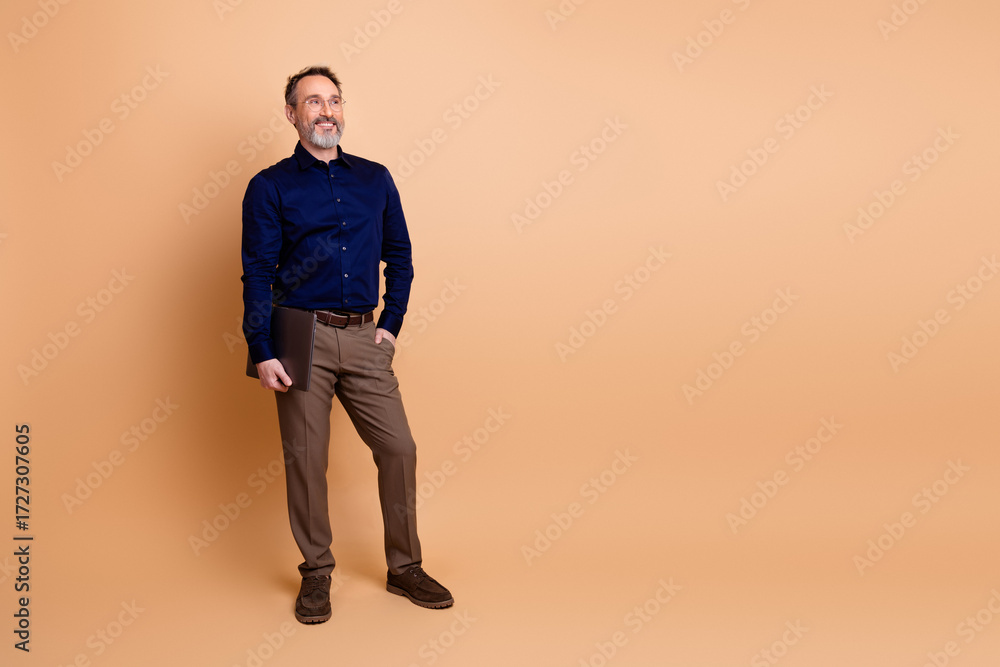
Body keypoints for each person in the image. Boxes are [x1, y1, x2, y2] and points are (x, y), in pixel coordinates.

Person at [241, 65, 453, 624]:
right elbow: (257, 270)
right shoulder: (270, 186)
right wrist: (261, 348)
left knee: (399, 449)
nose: (325, 110)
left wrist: (391, 325)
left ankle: (404, 567)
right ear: (292, 114)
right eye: (312, 102)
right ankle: (316, 572)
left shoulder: (375, 179)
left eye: (333, 100)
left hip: (363, 335)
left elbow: (400, 256)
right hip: (296, 338)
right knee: (307, 462)